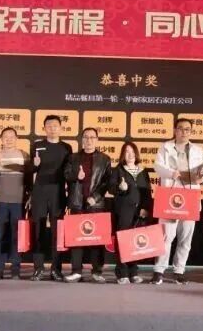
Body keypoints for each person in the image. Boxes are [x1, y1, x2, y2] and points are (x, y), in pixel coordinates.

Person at [151, 118, 203, 285]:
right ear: (175, 130)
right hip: (169, 196)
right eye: (181, 128)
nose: (184, 132)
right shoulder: (165, 147)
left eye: (187, 129)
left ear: (191, 132)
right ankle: (159, 271)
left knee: (185, 237)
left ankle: (179, 271)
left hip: (190, 198)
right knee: (165, 236)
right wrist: (172, 173)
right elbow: (157, 166)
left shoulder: (198, 151)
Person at [63, 127, 112, 283]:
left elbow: (106, 183)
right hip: (77, 203)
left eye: (92, 137)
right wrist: (76, 176)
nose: (89, 140)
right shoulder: (73, 157)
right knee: (76, 239)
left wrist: (95, 197)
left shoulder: (104, 159)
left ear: (97, 140)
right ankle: (76, 271)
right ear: (82, 139)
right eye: (86, 137)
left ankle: (97, 271)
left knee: (97, 240)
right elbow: (65, 175)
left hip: (96, 205)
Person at [29, 114, 74, 281]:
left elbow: (69, 172)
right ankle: (38, 268)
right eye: (49, 126)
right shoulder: (37, 145)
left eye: (55, 126)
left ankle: (56, 269)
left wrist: (70, 196)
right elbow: (30, 171)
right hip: (39, 192)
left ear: (61, 128)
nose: (52, 128)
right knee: (38, 230)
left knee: (57, 232)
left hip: (58, 193)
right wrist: (34, 165)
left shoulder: (66, 147)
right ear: (44, 128)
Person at [0, 127, 30, 280]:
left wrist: (29, 195)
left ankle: (15, 270)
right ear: (1, 139)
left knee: (16, 236)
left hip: (19, 201)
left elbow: (29, 177)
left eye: (12, 137)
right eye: (6, 137)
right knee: (0, 236)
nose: (9, 139)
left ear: (16, 139)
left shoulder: (24, 155)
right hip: (1, 201)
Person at [110, 141, 152, 284]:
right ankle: (122, 273)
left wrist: (145, 208)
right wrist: (120, 187)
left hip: (139, 211)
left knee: (136, 241)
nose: (130, 155)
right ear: (123, 154)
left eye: (132, 152)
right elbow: (111, 188)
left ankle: (133, 272)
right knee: (122, 240)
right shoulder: (118, 170)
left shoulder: (143, 171)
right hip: (123, 210)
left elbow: (147, 193)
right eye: (127, 152)